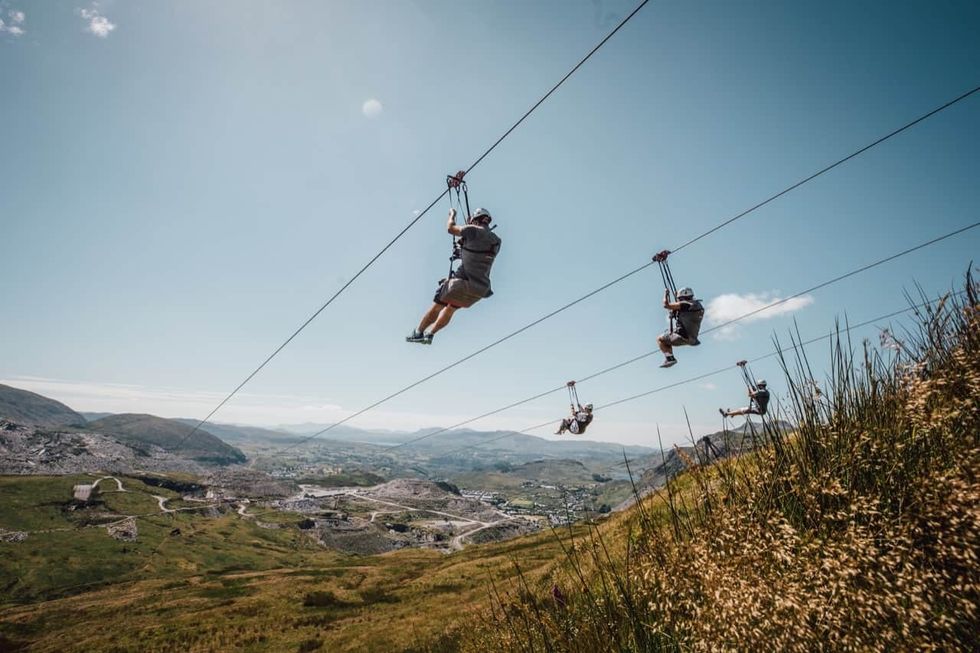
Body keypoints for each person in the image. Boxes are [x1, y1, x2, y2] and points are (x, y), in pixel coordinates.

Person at [407, 207, 501, 345]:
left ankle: (418, 332)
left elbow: (450, 228)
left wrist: (452, 214)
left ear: (475, 220)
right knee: (451, 308)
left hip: (462, 286)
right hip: (479, 290)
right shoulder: (497, 241)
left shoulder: (472, 230)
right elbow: (475, 257)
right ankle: (430, 334)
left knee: (438, 305)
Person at [657, 286, 704, 368]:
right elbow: (684, 314)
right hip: (692, 339)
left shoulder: (685, 304)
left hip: (682, 337)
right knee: (667, 333)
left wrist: (666, 294)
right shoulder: (697, 305)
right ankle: (670, 357)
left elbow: (666, 305)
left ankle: (670, 358)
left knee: (660, 339)